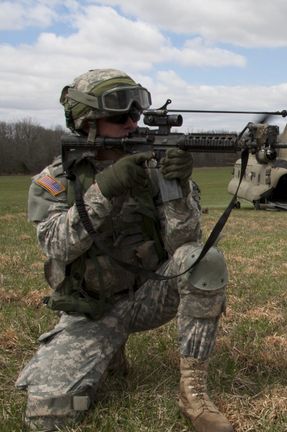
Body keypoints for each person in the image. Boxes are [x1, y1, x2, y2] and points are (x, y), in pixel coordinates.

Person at [15, 69, 233, 432]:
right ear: (87, 123)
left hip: (148, 295)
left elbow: (185, 246)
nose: (132, 123)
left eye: (136, 115)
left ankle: (192, 392)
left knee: (204, 259)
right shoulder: (56, 179)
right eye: (120, 117)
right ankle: (107, 354)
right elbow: (56, 245)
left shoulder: (154, 168)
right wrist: (105, 188)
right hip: (92, 309)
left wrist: (176, 188)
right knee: (49, 416)